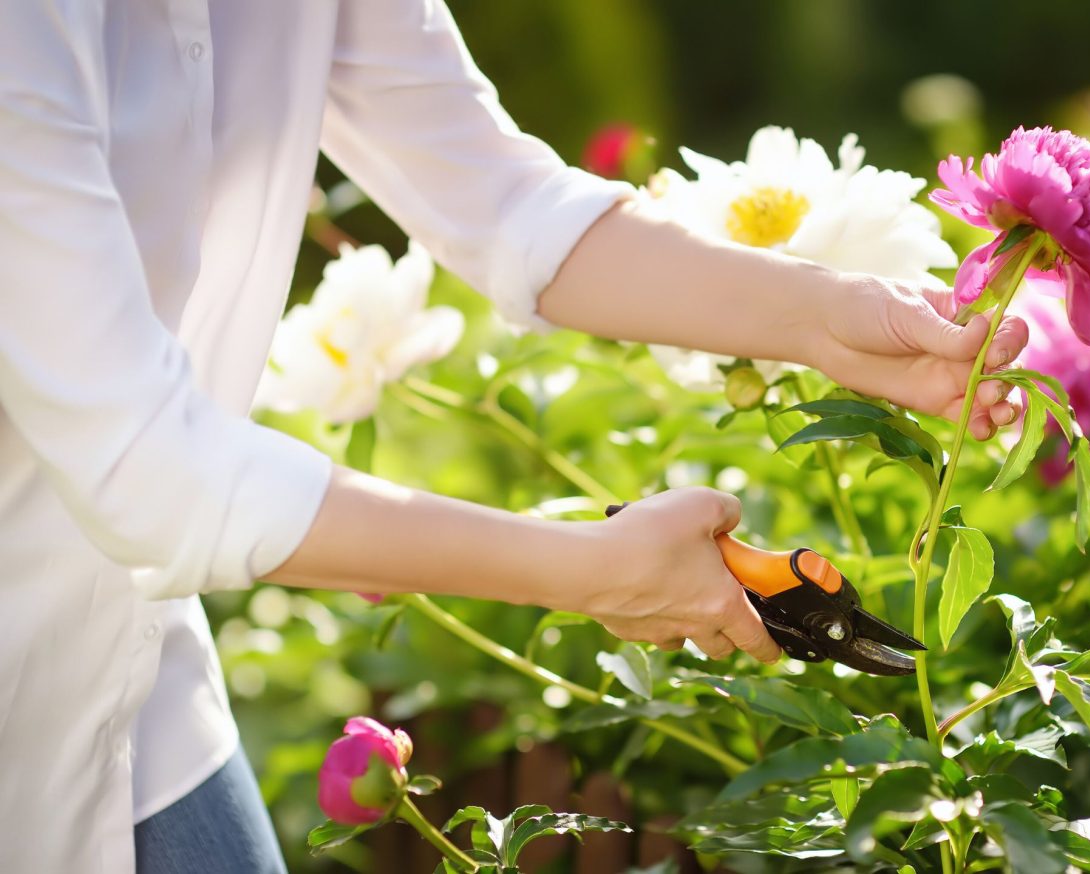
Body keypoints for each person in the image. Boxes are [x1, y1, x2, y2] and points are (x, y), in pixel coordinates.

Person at [0, 1, 1026, 871]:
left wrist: (820, 317)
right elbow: (150, 468)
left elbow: (500, 199)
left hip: (134, 690)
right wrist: (599, 570)